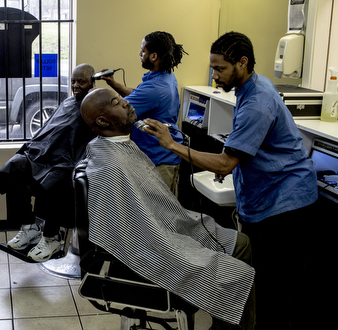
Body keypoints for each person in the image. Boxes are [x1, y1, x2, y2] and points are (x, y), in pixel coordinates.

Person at [144, 32, 327, 330]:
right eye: (213, 68)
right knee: (266, 282)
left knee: (276, 289)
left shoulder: (258, 101)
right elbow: (240, 154)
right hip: (270, 197)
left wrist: (172, 144)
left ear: (242, 63)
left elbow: (227, 163)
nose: (214, 76)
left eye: (220, 69)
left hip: (285, 206)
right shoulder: (251, 87)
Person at [80, 88, 255, 329]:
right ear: (102, 120)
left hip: (168, 227)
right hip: (154, 242)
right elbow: (130, 233)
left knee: (241, 242)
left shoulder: (116, 147)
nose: (127, 103)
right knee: (238, 276)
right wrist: (170, 239)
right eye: (117, 102)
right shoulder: (111, 165)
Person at [0, 64, 97, 262]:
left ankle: (51, 237)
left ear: (92, 83)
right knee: (13, 167)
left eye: (81, 81)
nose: (75, 85)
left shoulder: (93, 107)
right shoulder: (67, 103)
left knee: (54, 181)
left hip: (66, 161)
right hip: (45, 154)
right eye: (73, 81)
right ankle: (28, 227)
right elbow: (49, 131)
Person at [98, 31, 186, 195]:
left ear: (153, 56)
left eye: (142, 50)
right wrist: (114, 84)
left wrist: (98, 102)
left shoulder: (155, 88)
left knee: (159, 215)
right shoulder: (165, 76)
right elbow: (138, 93)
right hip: (168, 155)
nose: (140, 53)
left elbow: (121, 111)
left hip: (159, 159)